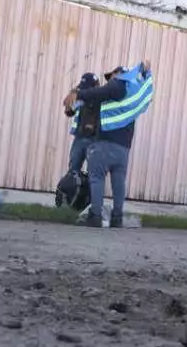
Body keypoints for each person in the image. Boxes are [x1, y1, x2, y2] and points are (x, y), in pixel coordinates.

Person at [62, 62, 154, 228]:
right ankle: (117, 218)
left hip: (105, 145)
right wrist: (146, 73)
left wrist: (79, 93)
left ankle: (95, 216)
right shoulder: (132, 96)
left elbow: (103, 91)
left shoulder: (118, 85)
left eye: (112, 75)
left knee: (96, 179)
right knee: (118, 183)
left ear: (120, 74)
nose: (110, 79)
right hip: (123, 149)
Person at [63, 72, 101, 175]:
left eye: (87, 88)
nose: (85, 90)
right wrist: (70, 101)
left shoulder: (102, 98)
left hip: (94, 139)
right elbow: (69, 112)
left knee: (93, 172)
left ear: (96, 86)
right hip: (79, 137)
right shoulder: (81, 96)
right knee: (73, 169)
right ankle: (72, 189)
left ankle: (89, 191)